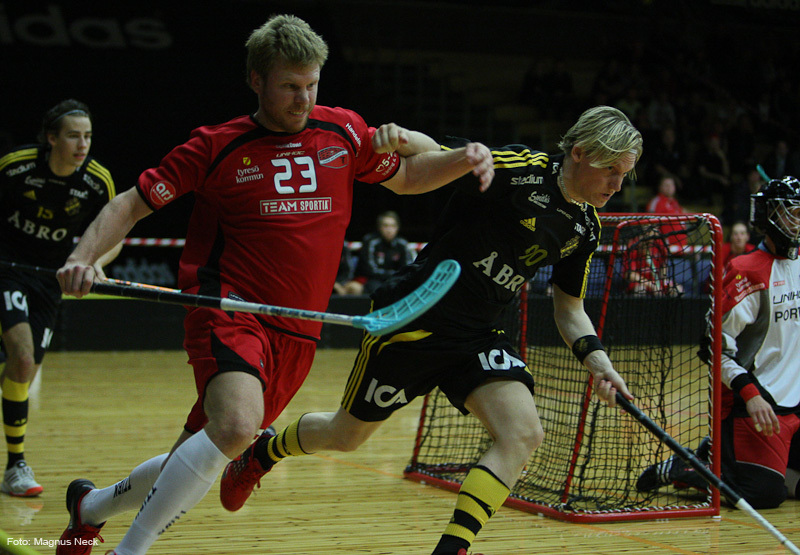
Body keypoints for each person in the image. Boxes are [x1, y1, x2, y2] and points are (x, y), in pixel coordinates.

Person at [53, 14, 494, 555]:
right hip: (230, 307)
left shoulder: (343, 131)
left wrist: (463, 157)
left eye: (311, 85)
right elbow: (130, 204)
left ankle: (89, 508)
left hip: (300, 330)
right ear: (256, 80)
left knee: (200, 450)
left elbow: (409, 177)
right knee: (239, 427)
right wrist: (82, 259)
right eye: (289, 86)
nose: (303, 99)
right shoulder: (216, 146)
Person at [220, 105, 641, 555]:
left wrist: (600, 365)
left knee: (523, 433)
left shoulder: (585, 229)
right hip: (412, 319)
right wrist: (402, 137)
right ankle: (263, 453)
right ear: (579, 153)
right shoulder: (523, 171)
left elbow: (569, 309)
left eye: (625, 174)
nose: (617, 185)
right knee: (346, 435)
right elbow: (443, 153)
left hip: (476, 335)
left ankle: (452, 549)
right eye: (611, 170)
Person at [637, 176, 800, 509]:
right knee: (765, 494)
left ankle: (723, 457)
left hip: (795, 401)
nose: (798, 222)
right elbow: (711, 347)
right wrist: (751, 395)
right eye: (792, 214)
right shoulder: (746, 271)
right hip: (757, 402)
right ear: (770, 216)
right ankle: (690, 466)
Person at [0, 99, 120, 498]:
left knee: (23, 371)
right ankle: (16, 465)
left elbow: (113, 234)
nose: (82, 144)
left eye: (87, 136)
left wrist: (94, 263)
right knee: (21, 358)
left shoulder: (97, 181)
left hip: (50, 279)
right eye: (73, 136)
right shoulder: (15, 166)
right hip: (7, 268)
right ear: (51, 138)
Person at [342, 210, 414, 295]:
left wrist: (396, 276)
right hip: (373, 280)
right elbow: (370, 270)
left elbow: (407, 269)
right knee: (376, 288)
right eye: (386, 226)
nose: (389, 230)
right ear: (379, 227)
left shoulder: (402, 244)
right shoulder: (371, 241)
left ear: (397, 228)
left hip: (395, 280)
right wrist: (394, 274)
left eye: (393, 226)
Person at [622, 228, 683, 297]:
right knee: (640, 290)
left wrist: (664, 280)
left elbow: (663, 265)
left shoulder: (658, 243)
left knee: (678, 289)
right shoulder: (633, 246)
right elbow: (629, 274)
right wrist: (650, 284)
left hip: (657, 282)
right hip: (640, 283)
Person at [646, 174, 687, 246]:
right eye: (666, 185)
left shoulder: (675, 202)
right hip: (666, 247)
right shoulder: (657, 202)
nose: (669, 188)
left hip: (682, 246)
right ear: (660, 187)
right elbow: (650, 225)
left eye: (671, 185)